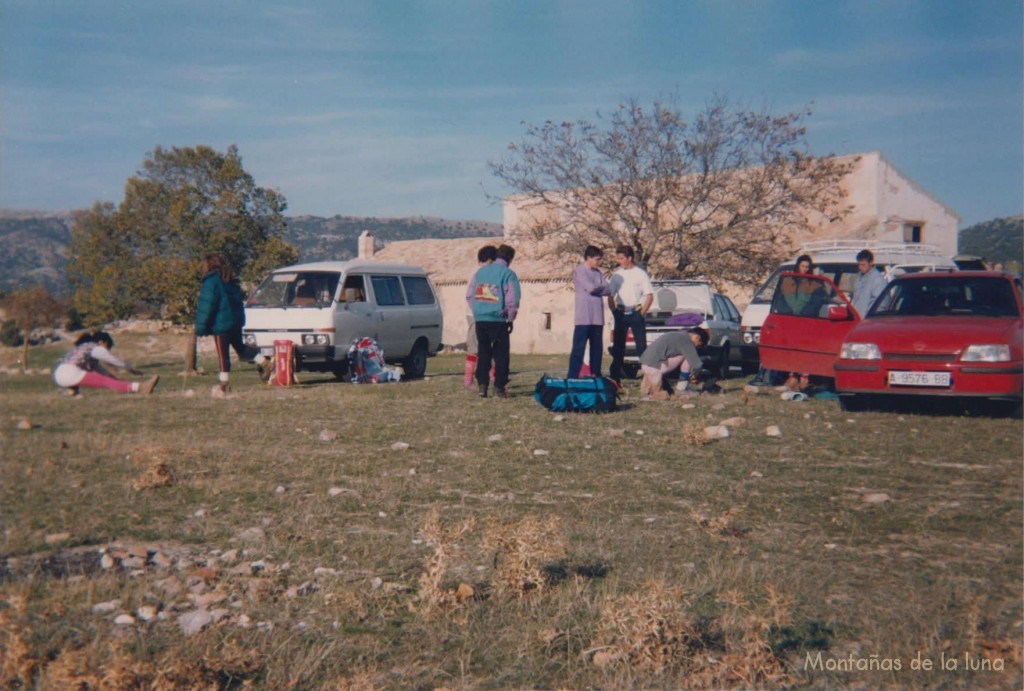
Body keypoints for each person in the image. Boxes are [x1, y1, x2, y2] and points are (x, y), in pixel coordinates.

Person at [466, 244, 520, 398]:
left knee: (483, 353)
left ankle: (482, 386)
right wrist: (510, 318)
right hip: (498, 319)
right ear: (509, 259)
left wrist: (478, 310)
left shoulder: (479, 273)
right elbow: (513, 300)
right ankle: (499, 388)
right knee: (501, 355)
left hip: (481, 320)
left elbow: (469, 295)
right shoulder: (508, 274)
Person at [195, 254, 247, 395]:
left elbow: (207, 305)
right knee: (241, 349)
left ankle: (224, 383)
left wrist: (200, 327)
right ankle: (263, 362)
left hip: (221, 323)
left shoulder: (211, 282)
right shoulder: (229, 280)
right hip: (234, 322)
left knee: (223, 355)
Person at [53, 331, 158, 396]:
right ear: (102, 342)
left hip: (59, 375)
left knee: (105, 379)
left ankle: (72, 391)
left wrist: (118, 382)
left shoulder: (83, 348)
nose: (107, 350)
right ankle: (142, 387)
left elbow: (101, 371)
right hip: (71, 373)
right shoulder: (96, 347)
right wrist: (131, 369)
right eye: (108, 347)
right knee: (105, 382)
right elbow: (115, 361)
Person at [607, 245, 654, 384]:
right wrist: (615, 312)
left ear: (629, 258)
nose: (619, 261)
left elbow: (649, 296)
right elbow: (610, 296)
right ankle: (615, 379)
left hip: (636, 312)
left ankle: (649, 378)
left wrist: (641, 313)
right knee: (618, 347)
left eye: (621, 258)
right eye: (618, 258)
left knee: (641, 347)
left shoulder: (640, 274)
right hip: (621, 313)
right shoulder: (616, 275)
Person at [568, 245, 611, 378]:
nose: (598, 262)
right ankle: (572, 376)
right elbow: (590, 288)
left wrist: (600, 288)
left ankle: (595, 374)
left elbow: (608, 289)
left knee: (597, 349)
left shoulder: (598, 272)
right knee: (578, 349)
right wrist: (600, 288)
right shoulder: (579, 270)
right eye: (597, 259)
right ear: (588, 258)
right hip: (583, 317)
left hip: (597, 316)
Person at [639, 327, 709, 400]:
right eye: (699, 344)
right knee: (687, 356)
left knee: (647, 393)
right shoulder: (687, 342)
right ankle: (681, 388)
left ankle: (648, 390)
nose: (696, 346)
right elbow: (697, 365)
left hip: (645, 364)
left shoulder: (678, 334)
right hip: (656, 367)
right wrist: (695, 376)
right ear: (697, 337)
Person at [463, 246, 494, 388]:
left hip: (483, 315)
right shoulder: (480, 275)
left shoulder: (479, 273)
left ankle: (493, 377)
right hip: (477, 316)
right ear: (488, 260)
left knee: (488, 348)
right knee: (475, 348)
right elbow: (470, 296)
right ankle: (468, 380)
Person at [852, 249, 886, 317]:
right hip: (856, 319)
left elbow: (879, 304)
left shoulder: (877, 279)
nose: (860, 267)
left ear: (871, 263)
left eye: (863, 265)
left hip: (868, 321)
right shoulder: (859, 277)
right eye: (859, 265)